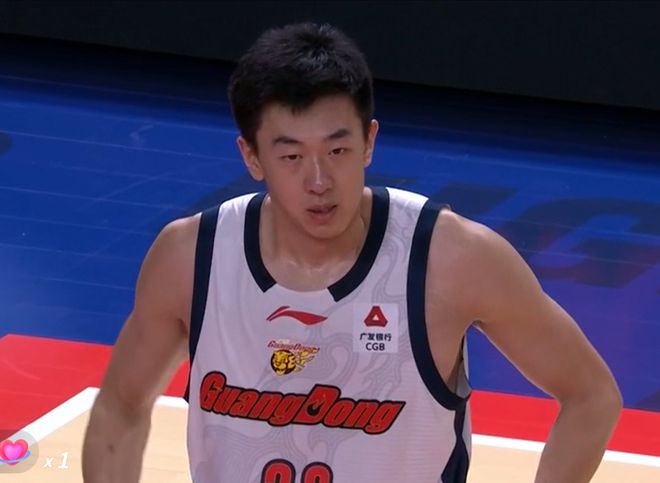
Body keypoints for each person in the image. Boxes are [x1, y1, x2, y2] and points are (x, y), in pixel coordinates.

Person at [82, 22, 622, 483]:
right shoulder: (190, 257)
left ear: (369, 141)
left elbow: (591, 396)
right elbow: (121, 406)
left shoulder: (453, 259)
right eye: (291, 156)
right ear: (251, 156)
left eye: (338, 149)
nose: (319, 180)